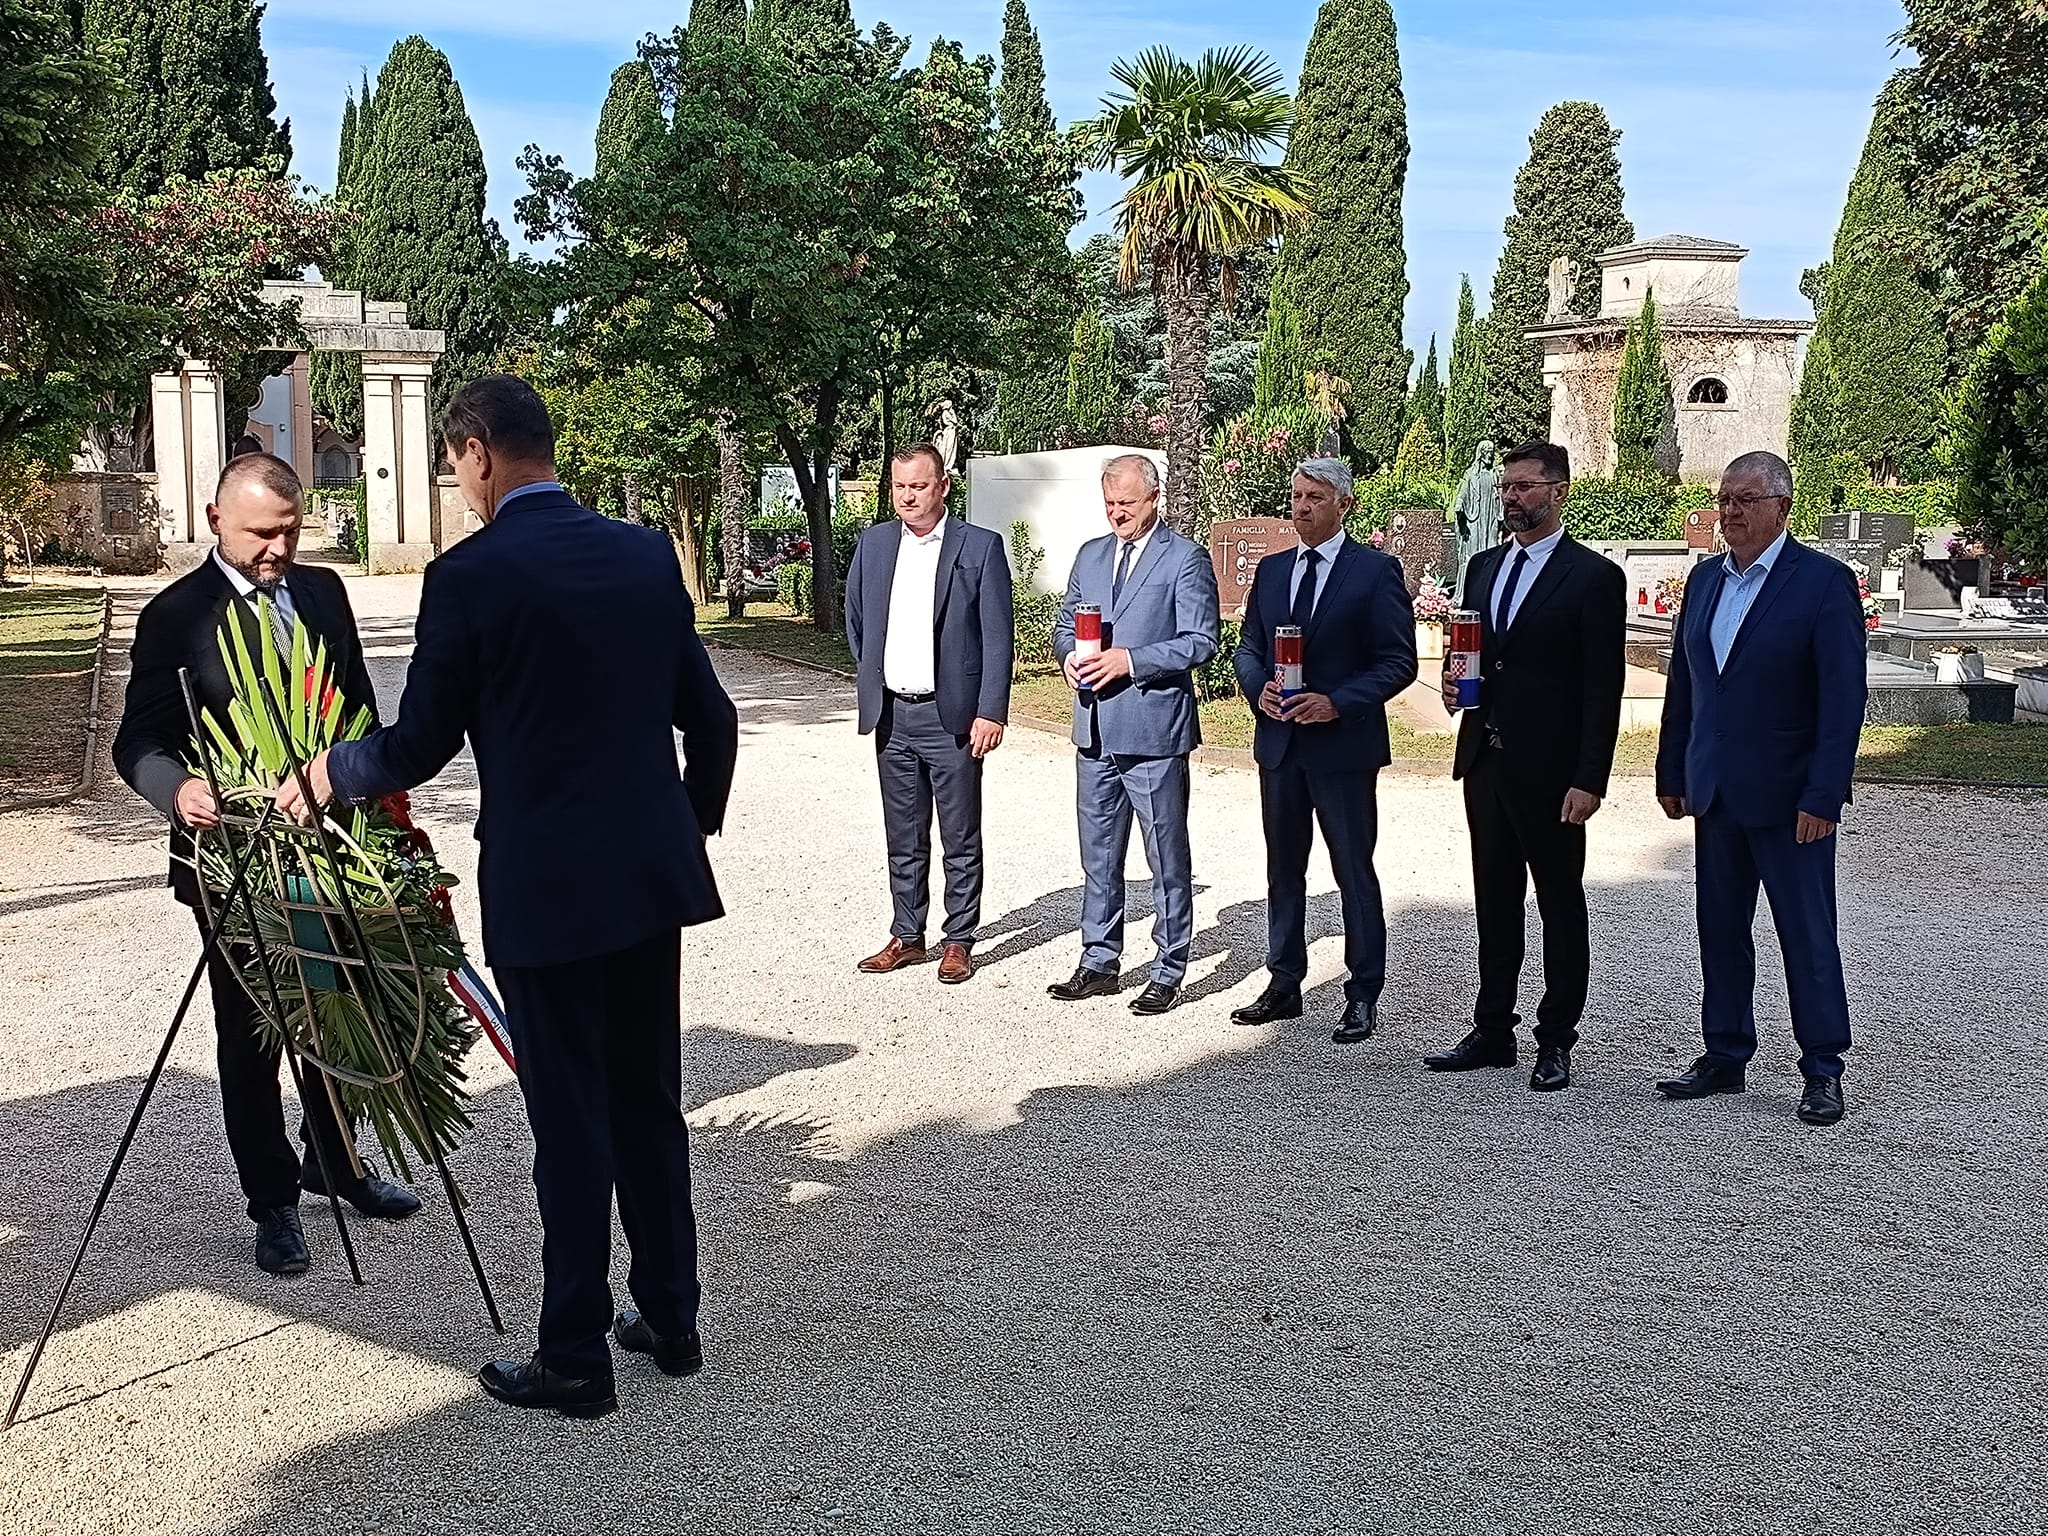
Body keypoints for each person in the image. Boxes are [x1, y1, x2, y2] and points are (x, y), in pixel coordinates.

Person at [276, 376, 739, 1417]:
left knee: (570, 1122)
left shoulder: (470, 575)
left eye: (454, 466)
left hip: (545, 887)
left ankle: (574, 1356)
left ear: (478, 451)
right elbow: (710, 720)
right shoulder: (643, 554)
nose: (459, 483)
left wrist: (327, 773)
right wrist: (685, 827)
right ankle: (671, 1317)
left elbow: (419, 744)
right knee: (647, 1102)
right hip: (647, 879)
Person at [112, 453, 421, 1278]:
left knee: (339, 1004)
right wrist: (177, 790)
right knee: (254, 1031)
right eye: (260, 534)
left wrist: (366, 793)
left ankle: (336, 1161)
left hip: (333, 849)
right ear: (217, 521)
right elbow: (137, 740)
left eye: (290, 531)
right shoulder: (176, 615)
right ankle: (273, 1200)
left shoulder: (323, 592)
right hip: (233, 859)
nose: (278, 549)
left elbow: (359, 710)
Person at [1654, 450, 1867, 1126]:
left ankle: (1823, 1067)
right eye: (1724, 499)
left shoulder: (1823, 583)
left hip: (1789, 797)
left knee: (1806, 934)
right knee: (1720, 930)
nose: (1730, 512)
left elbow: (1842, 700)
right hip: (1715, 791)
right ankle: (1725, 1053)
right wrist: (1672, 770)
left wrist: (1824, 794)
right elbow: (1686, 685)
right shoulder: (1704, 581)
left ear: (1783, 507)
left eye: (1746, 500)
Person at [1426, 441, 1626, 1092]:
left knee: (1560, 904)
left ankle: (1557, 1037)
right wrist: (1455, 683)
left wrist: (1589, 779)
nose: (1510, 496)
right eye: (1506, 487)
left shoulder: (1593, 578)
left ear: (1558, 492)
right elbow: (1477, 652)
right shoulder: (1483, 567)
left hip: (1553, 772)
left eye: (1523, 486)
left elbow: (1603, 688)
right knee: (1494, 901)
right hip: (1486, 759)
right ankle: (1492, 1029)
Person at [1231, 458, 1419, 1042]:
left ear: (1344, 504)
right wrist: (1257, 688)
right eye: (1296, 496)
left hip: (1342, 748)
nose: (1302, 507)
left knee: (1352, 871)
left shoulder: (1375, 571)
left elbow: (1399, 662)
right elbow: (1249, 649)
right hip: (1281, 746)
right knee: (1283, 870)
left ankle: (1362, 993)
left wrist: (1337, 702)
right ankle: (1284, 982)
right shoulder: (1272, 571)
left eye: (1314, 497)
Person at [1048, 455, 1219, 1015]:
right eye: (1109, 503)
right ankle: (1099, 960)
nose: (1117, 512)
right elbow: (1065, 625)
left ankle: (1169, 969)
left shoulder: (1185, 558)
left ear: (1154, 498)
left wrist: (1131, 660)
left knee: (1165, 856)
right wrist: (1068, 656)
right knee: (1098, 855)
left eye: (1127, 502)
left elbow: (1200, 640)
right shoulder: (1090, 555)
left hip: (1153, 731)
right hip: (1094, 728)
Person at [843, 442, 1013, 984]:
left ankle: (959, 938)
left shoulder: (979, 546)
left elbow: (997, 636)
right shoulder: (874, 544)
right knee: (903, 834)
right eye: (899, 486)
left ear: (943, 487)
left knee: (960, 834)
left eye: (918, 486)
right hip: (893, 715)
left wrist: (990, 711)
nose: (908, 497)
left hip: (952, 717)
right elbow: (856, 620)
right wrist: (876, 676)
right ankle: (907, 935)